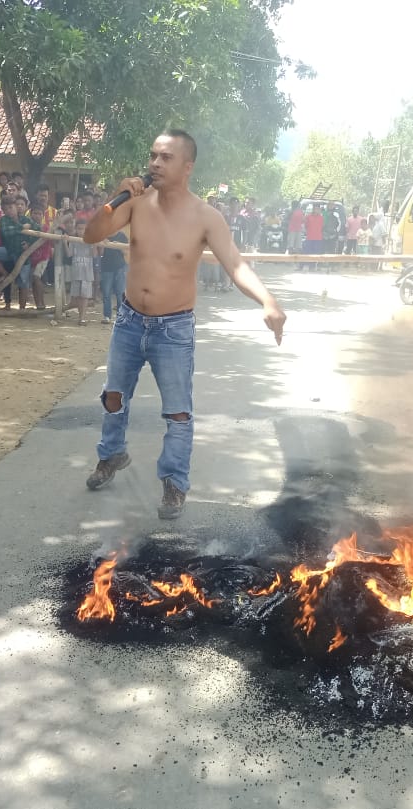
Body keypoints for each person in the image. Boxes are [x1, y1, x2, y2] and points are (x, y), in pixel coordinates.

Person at [82, 129, 285, 519]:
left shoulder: (205, 217)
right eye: (153, 155)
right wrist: (114, 198)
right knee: (112, 398)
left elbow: (236, 264)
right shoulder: (135, 204)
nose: (155, 163)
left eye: (166, 157)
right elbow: (91, 235)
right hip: (128, 321)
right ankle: (111, 456)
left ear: (187, 167)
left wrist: (268, 300)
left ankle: (174, 483)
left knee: (177, 413)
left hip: (173, 330)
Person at [0, 196, 32, 309]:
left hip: (23, 255)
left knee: (23, 283)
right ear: (3, 211)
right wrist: (21, 228)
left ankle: (22, 309)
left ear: (15, 207)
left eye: (11, 207)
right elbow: (6, 232)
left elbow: (36, 230)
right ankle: (6, 274)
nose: (9, 210)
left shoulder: (26, 219)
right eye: (6, 209)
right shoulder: (4, 219)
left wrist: (29, 243)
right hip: (9, 252)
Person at [25, 184, 56, 310]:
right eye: (35, 213)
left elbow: (53, 239)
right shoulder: (28, 226)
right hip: (32, 256)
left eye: (39, 214)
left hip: (43, 256)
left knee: (36, 277)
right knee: (34, 280)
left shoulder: (46, 228)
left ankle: (42, 303)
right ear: (31, 214)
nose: (37, 216)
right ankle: (38, 304)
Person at [66, 218, 95, 325]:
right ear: (76, 229)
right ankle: (79, 315)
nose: (81, 231)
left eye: (83, 229)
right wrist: (65, 242)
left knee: (85, 296)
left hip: (87, 273)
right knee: (77, 296)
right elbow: (69, 254)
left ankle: (82, 318)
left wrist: (94, 243)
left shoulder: (91, 240)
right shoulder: (73, 240)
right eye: (79, 228)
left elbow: (95, 254)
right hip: (76, 272)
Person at [98, 229, 128, 323]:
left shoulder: (122, 235)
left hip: (120, 267)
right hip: (106, 268)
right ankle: (107, 316)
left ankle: (120, 317)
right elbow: (100, 254)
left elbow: (126, 252)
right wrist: (103, 244)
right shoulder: (102, 234)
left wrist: (118, 245)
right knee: (106, 293)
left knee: (120, 293)